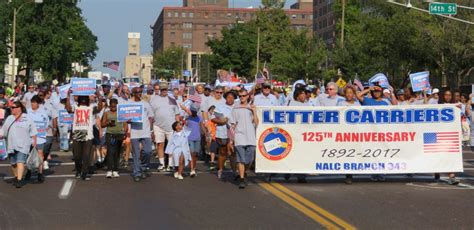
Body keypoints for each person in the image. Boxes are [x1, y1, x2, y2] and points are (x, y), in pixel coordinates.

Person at [3, 101, 37, 188]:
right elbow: (3, 131)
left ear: (19, 108)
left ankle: (19, 180)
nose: (11, 109)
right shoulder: (9, 118)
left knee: (20, 161)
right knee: (13, 163)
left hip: (24, 144)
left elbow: (33, 131)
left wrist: (34, 142)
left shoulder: (27, 118)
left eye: (13, 107)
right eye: (11, 107)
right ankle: (16, 176)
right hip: (11, 144)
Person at [66, 92, 100, 181]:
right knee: (77, 155)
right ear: (79, 101)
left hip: (88, 134)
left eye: (85, 100)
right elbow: (68, 109)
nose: (83, 101)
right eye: (82, 100)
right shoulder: (76, 107)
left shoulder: (91, 107)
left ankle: (84, 172)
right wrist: (68, 97)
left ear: (87, 101)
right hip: (77, 133)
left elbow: (99, 108)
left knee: (86, 155)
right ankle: (78, 169)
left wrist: (99, 97)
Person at [230, 89, 259, 189]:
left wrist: (254, 111)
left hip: (250, 137)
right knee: (241, 159)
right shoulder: (235, 108)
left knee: (249, 159)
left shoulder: (251, 107)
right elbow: (232, 125)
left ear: (247, 96)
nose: (242, 97)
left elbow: (256, 122)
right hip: (239, 136)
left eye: (243, 96)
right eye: (240, 96)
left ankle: (244, 172)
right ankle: (242, 179)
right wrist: (231, 139)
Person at [150, 82, 180, 171]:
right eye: (162, 89)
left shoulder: (172, 100)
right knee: (160, 145)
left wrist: (178, 126)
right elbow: (150, 116)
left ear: (167, 90)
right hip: (158, 126)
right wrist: (151, 129)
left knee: (171, 145)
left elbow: (177, 114)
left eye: (165, 89)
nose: (164, 91)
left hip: (171, 127)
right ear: (159, 90)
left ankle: (170, 164)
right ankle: (162, 164)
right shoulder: (153, 100)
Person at [129, 87, 154, 182]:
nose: (139, 93)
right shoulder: (129, 104)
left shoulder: (146, 104)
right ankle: (137, 173)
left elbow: (151, 117)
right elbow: (124, 118)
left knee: (148, 151)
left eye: (140, 92)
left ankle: (143, 167)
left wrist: (152, 131)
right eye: (137, 92)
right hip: (134, 132)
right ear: (133, 93)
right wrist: (127, 122)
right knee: (136, 154)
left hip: (146, 131)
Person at [101, 98, 128, 178]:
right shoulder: (106, 113)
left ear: (117, 105)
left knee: (117, 152)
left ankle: (115, 170)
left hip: (119, 134)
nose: (113, 108)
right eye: (111, 106)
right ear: (109, 106)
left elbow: (125, 123)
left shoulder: (121, 112)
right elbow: (102, 124)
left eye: (114, 106)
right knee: (110, 152)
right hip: (110, 134)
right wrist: (107, 123)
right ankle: (109, 170)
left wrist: (125, 132)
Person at [213, 91, 236, 180]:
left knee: (233, 153)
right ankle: (220, 170)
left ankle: (234, 172)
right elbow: (213, 118)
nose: (230, 99)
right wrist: (221, 121)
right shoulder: (220, 107)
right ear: (225, 98)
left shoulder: (237, 107)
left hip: (234, 133)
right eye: (228, 97)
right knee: (223, 152)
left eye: (232, 97)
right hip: (222, 133)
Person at [26, 95, 49, 183]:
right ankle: (29, 171)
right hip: (29, 137)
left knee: (40, 155)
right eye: (32, 102)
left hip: (40, 137)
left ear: (38, 103)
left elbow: (46, 124)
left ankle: (40, 172)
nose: (33, 104)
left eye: (34, 102)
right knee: (29, 155)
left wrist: (43, 130)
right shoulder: (27, 112)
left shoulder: (43, 112)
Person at [186, 104, 204, 177]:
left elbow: (202, 126)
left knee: (195, 155)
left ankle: (194, 168)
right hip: (189, 138)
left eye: (195, 111)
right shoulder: (188, 118)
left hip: (197, 138)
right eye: (193, 111)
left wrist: (206, 134)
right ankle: (192, 170)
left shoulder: (200, 118)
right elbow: (185, 127)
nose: (194, 112)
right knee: (192, 153)